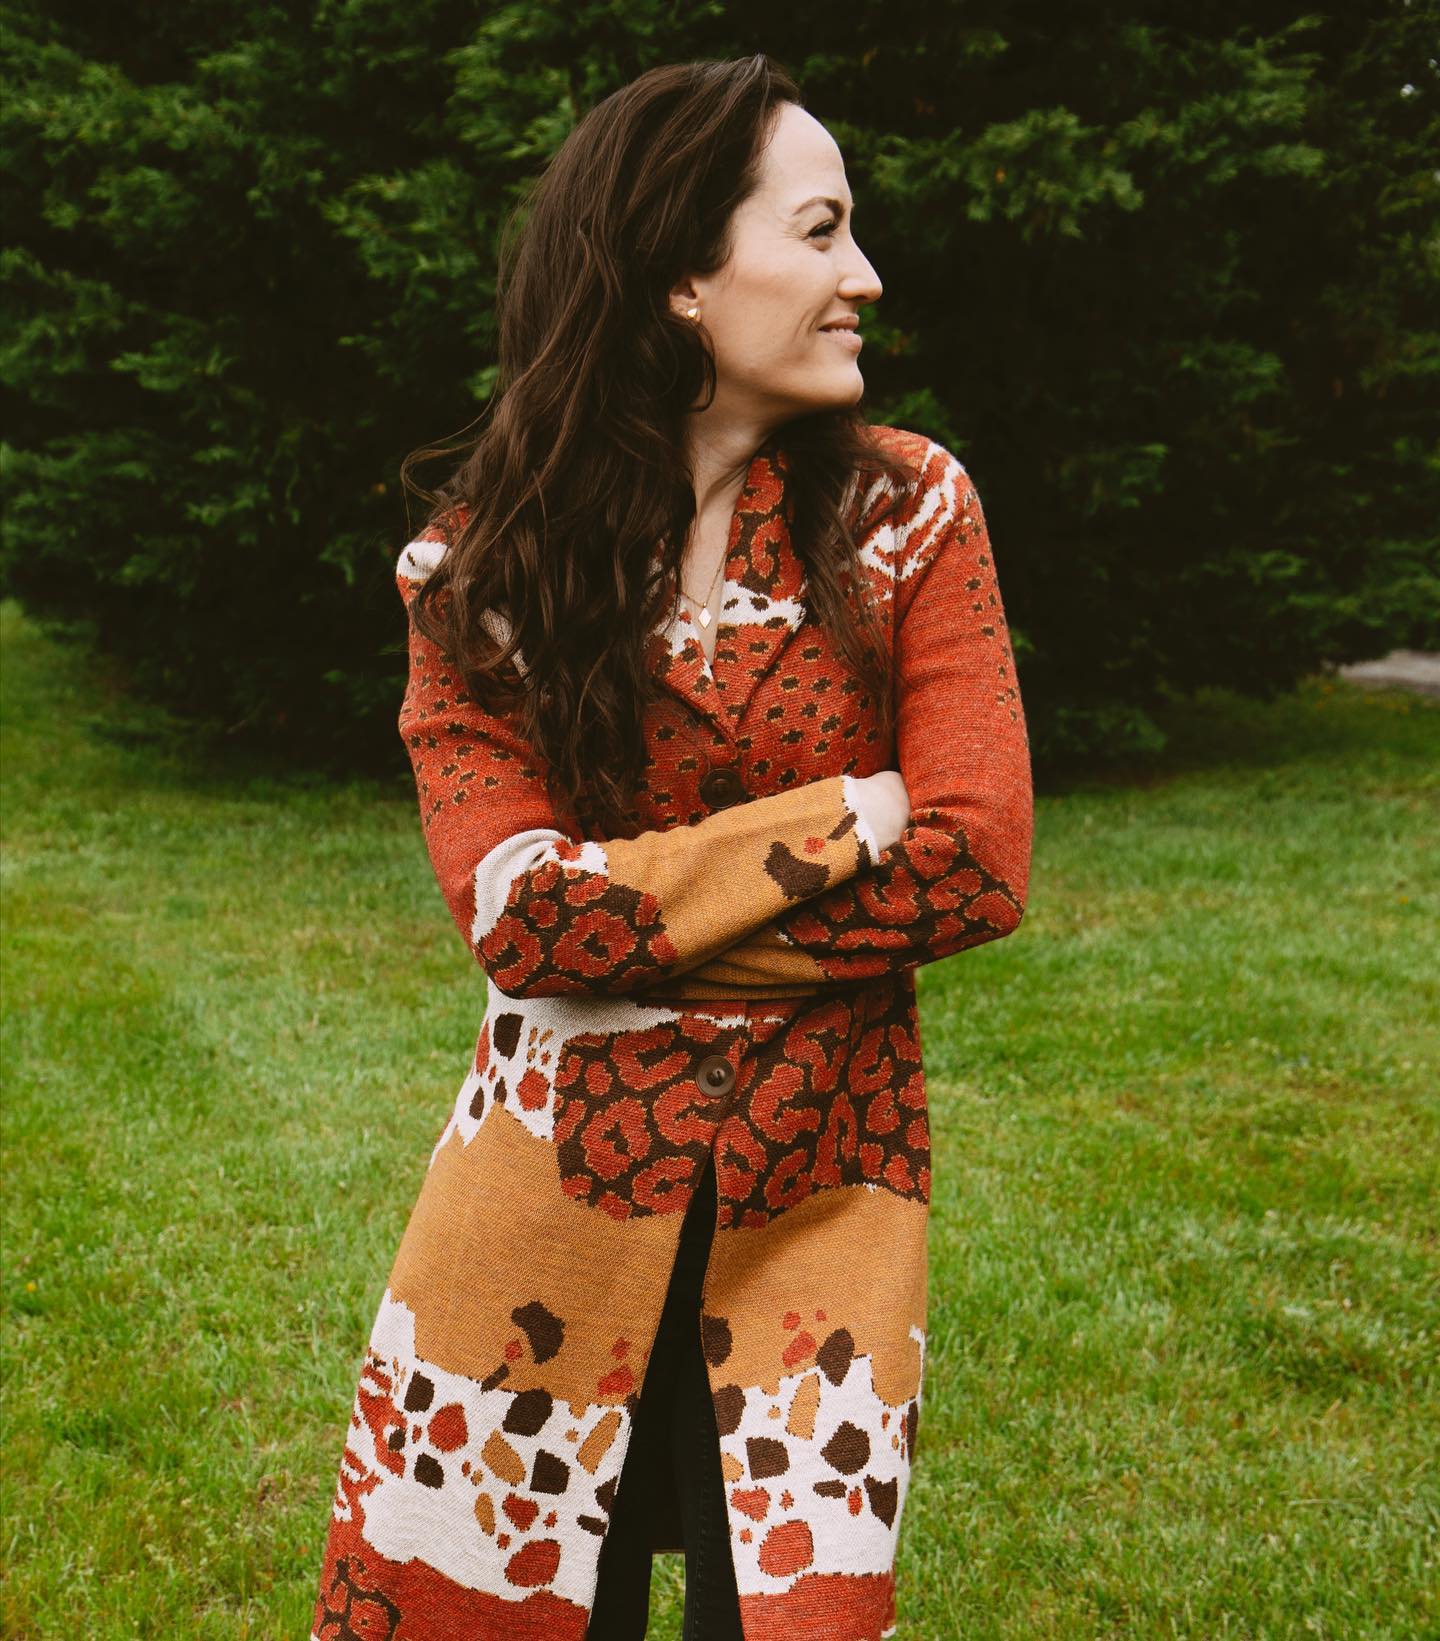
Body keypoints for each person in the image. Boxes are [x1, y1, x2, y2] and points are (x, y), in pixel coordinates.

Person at [310, 53, 1032, 1641]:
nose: (866, 275)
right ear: (683, 280)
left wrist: (645, 915)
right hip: (544, 1213)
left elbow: (978, 863)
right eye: (822, 231)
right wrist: (844, 821)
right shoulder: (481, 568)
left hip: (821, 1204)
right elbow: (522, 923)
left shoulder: (909, 516)